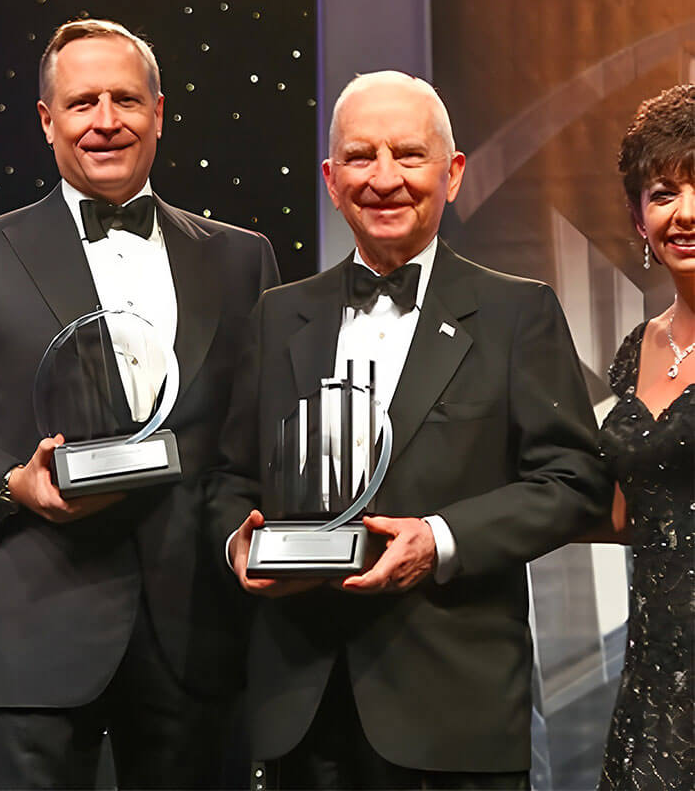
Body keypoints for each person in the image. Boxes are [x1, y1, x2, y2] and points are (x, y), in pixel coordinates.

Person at [0, 19, 279, 790]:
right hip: (35, 632)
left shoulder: (239, 257)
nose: (105, 120)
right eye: (82, 101)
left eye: (125, 99)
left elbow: (254, 437)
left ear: (159, 112)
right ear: (46, 119)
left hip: (198, 637)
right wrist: (8, 483)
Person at [212, 71, 612, 789]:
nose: (384, 178)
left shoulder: (518, 312)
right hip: (299, 705)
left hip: (453, 710)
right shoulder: (277, 316)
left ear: (452, 173)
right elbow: (232, 478)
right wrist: (237, 542)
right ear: (331, 181)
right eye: (361, 158)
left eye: (408, 154)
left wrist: (438, 539)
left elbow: (574, 483)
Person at [596, 84, 694, 791]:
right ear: (637, 219)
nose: (683, 213)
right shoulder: (636, 349)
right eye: (661, 193)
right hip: (654, 681)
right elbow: (622, 510)